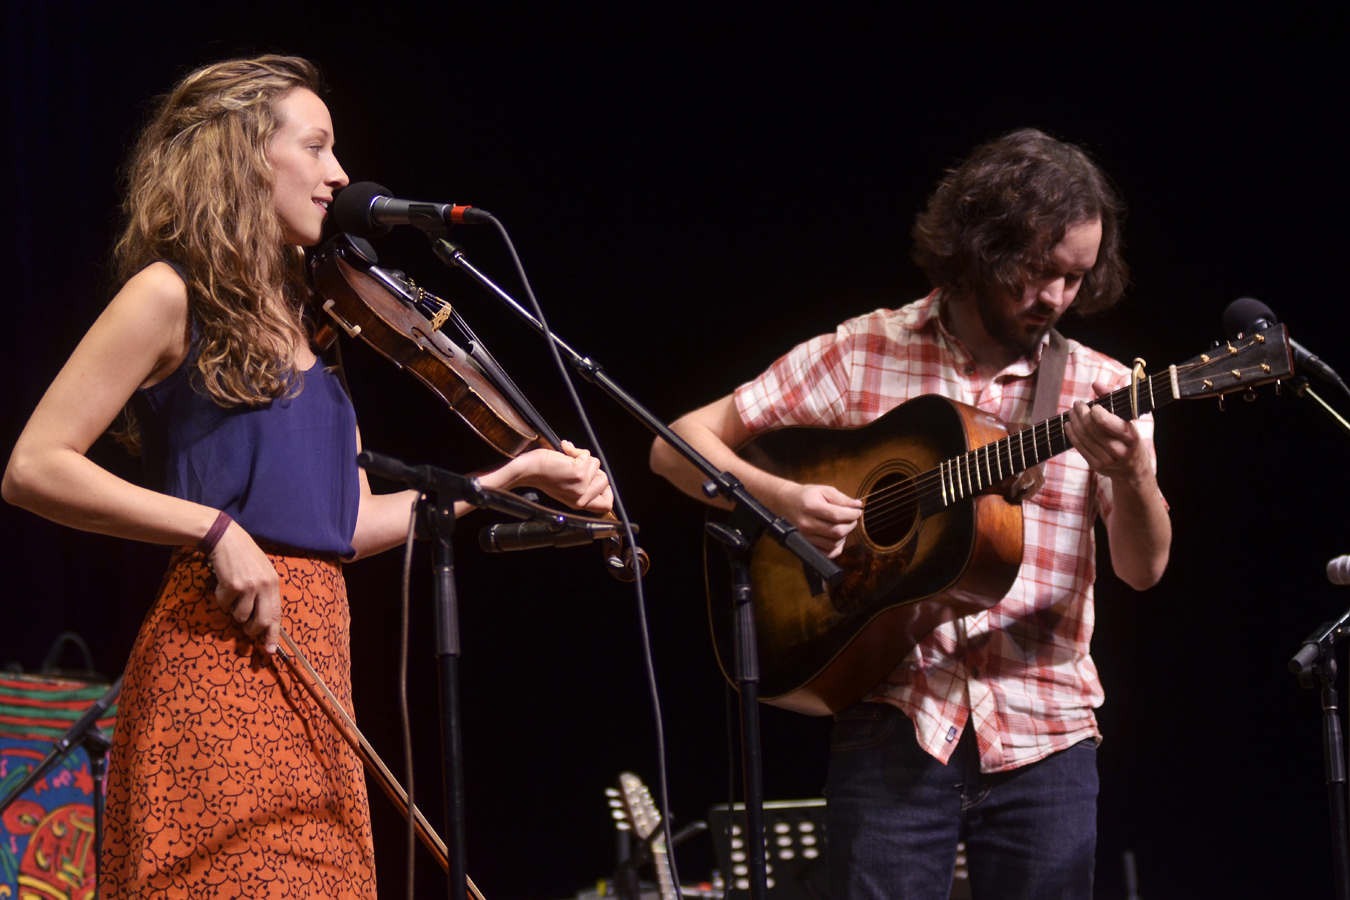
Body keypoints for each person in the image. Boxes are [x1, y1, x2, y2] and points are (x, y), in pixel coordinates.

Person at [2, 55, 611, 900]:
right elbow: (34, 466)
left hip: (319, 678)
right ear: (249, 155)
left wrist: (513, 476)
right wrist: (214, 529)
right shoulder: (167, 294)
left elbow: (346, 524)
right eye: (318, 147)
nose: (340, 174)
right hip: (215, 663)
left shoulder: (320, 328)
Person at [649, 129, 1170, 899]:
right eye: (1037, 272)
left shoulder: (1098, 388)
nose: (1056, 299)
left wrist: (1134, 479)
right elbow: (676, 446)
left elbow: (1143, 568)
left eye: (1075, 279)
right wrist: (784, 500)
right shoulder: (865, 350)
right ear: (980, 246)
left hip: (1048, 737)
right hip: (894, 724)